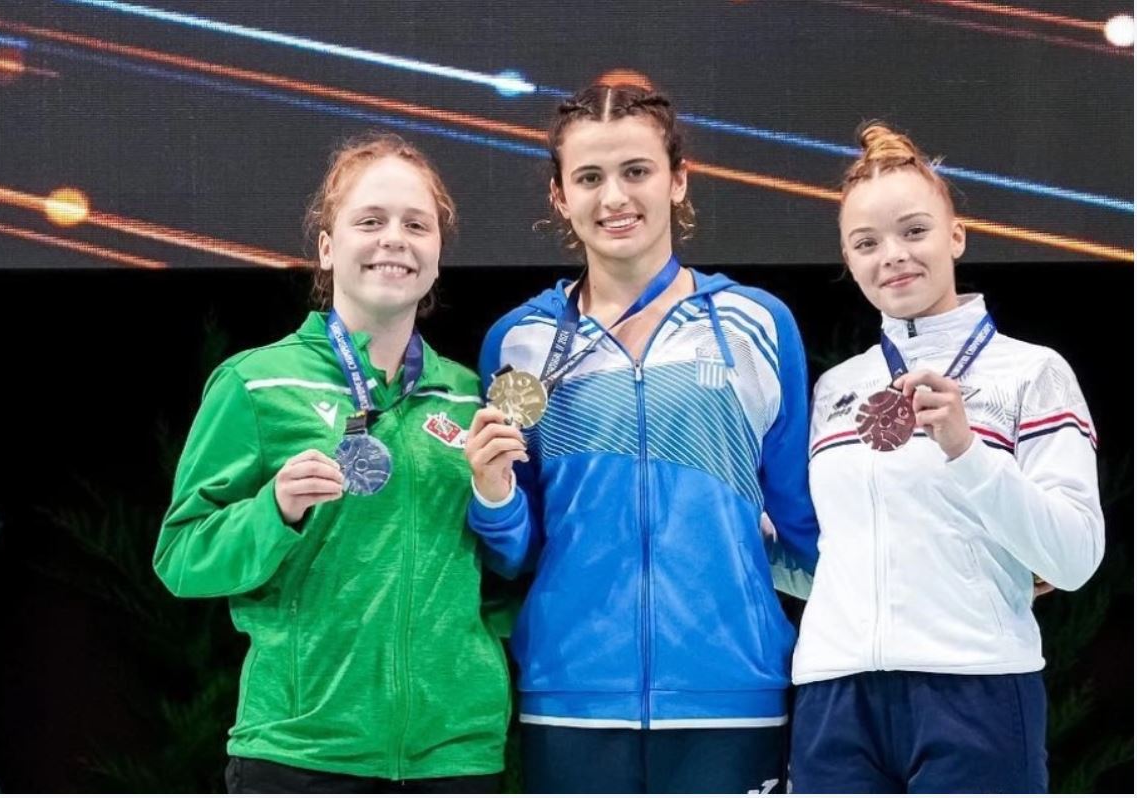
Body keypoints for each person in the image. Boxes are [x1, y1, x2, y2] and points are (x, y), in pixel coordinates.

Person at [463, 83, 819, 794]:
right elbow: (516, 551)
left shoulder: (757, 324)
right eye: (589, 178)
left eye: (636, 171)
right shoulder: (520, 341)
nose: (615, 197)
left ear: (678, 180)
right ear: (560, 196)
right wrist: (492, 495)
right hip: (570, 693)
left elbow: (805, 522)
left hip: (733, 689)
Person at [154, 134, 510, 793]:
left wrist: (502, 505)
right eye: (370, 221)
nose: (394, 239)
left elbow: (504, 580)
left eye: (416, 225)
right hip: (301, 753)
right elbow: (182, 557)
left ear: (437, 255)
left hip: (456, 758)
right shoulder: (257, 384)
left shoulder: (470, 398)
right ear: (326, 246)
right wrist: (275, 510)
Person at [789, 123, 1105, 793]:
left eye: (914, 231)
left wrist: (966, 449)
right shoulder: (834, 388)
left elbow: (1074, 558)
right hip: (834, 694)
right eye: (867, 243)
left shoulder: (1032, 372)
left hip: (976, 689)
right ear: (848, 259)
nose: (893, 256)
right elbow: (837, 556)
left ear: (955, 236)